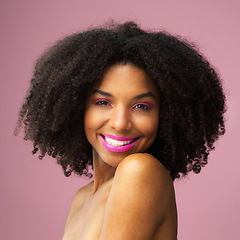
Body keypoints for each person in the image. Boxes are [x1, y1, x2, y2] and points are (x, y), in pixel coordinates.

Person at [15, 21, 226, 240]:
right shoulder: (82, 198)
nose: (120, 123)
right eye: (103, 102)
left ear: (165, 115)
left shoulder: (139, 171)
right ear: (77, 106)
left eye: (141, 106)